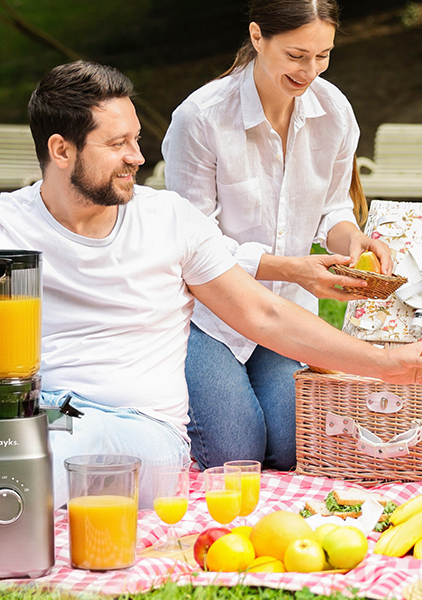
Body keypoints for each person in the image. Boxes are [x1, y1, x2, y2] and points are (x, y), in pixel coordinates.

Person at [0, 61, 422, 549]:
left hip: (133, 432)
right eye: (118, 144)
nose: (138, 157)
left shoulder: (168, 223)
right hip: (31, 400)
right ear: (61, 151)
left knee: (49, 447)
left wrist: (386, 364)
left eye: (137, 140)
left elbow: (262, 316)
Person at [160, 0, 392, 472]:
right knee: (234, 456)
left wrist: (352, 241)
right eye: (296, 55)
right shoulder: (201, 118)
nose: (310, 71)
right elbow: (193, 240)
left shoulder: (334, 111)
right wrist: (292, 268)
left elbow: (332, 208)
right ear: (257, 36)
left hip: (285, 315)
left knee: (296, 447)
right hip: (208, 317)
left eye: (323, 55)